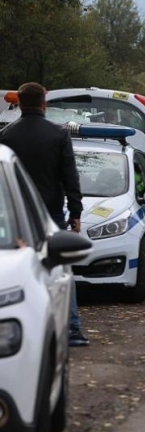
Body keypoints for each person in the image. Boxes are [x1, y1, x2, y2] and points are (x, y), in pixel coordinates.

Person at [0, 82, 88, 347]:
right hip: (50, 212)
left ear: (20, 103)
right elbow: (69, 176)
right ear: (44, 103)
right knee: (61, 269)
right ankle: (72, 327)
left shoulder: (7, 136)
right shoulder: (58, 135)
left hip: (16, 214)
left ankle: (24, 326)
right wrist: (76, 211)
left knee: (19, 270)